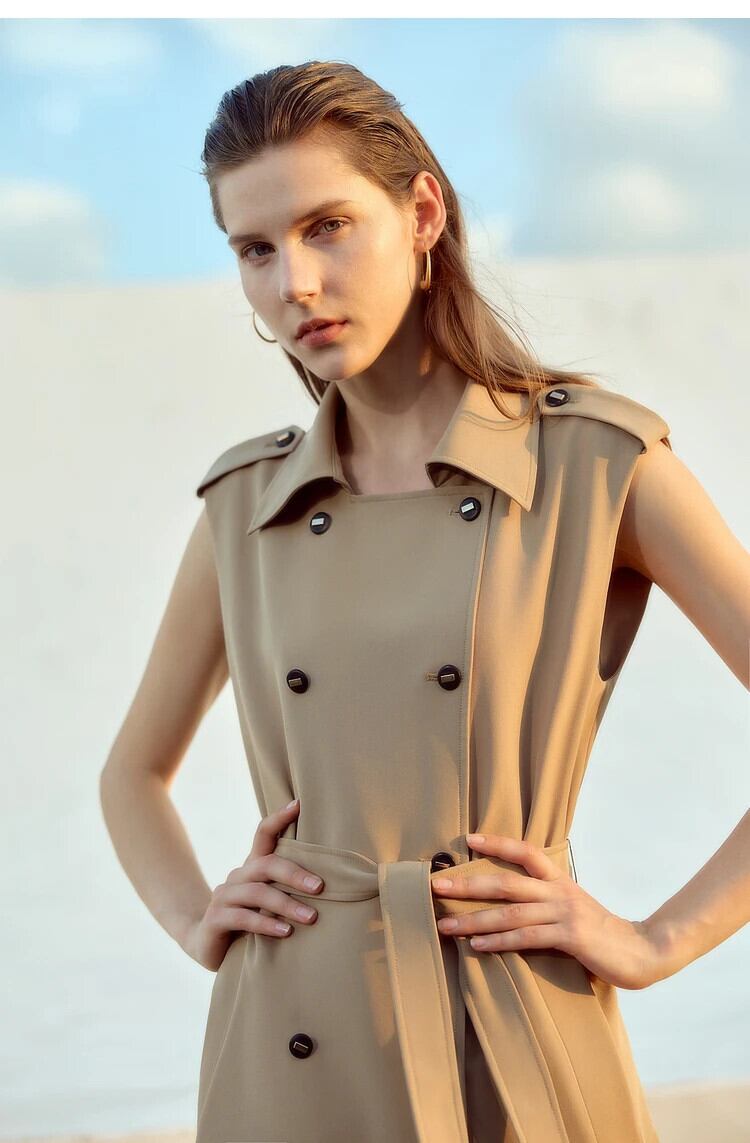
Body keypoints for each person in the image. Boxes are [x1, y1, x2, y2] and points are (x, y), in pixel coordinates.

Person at [99, 61, 750, 1143]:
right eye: (255, 249)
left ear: (423, 214)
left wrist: (655, 941)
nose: (294, 283)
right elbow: (131, 774)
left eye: (327, 227)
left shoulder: (593, 462)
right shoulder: (244, 505)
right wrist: (197, 915)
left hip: (511, 1013)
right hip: (289, 1036)